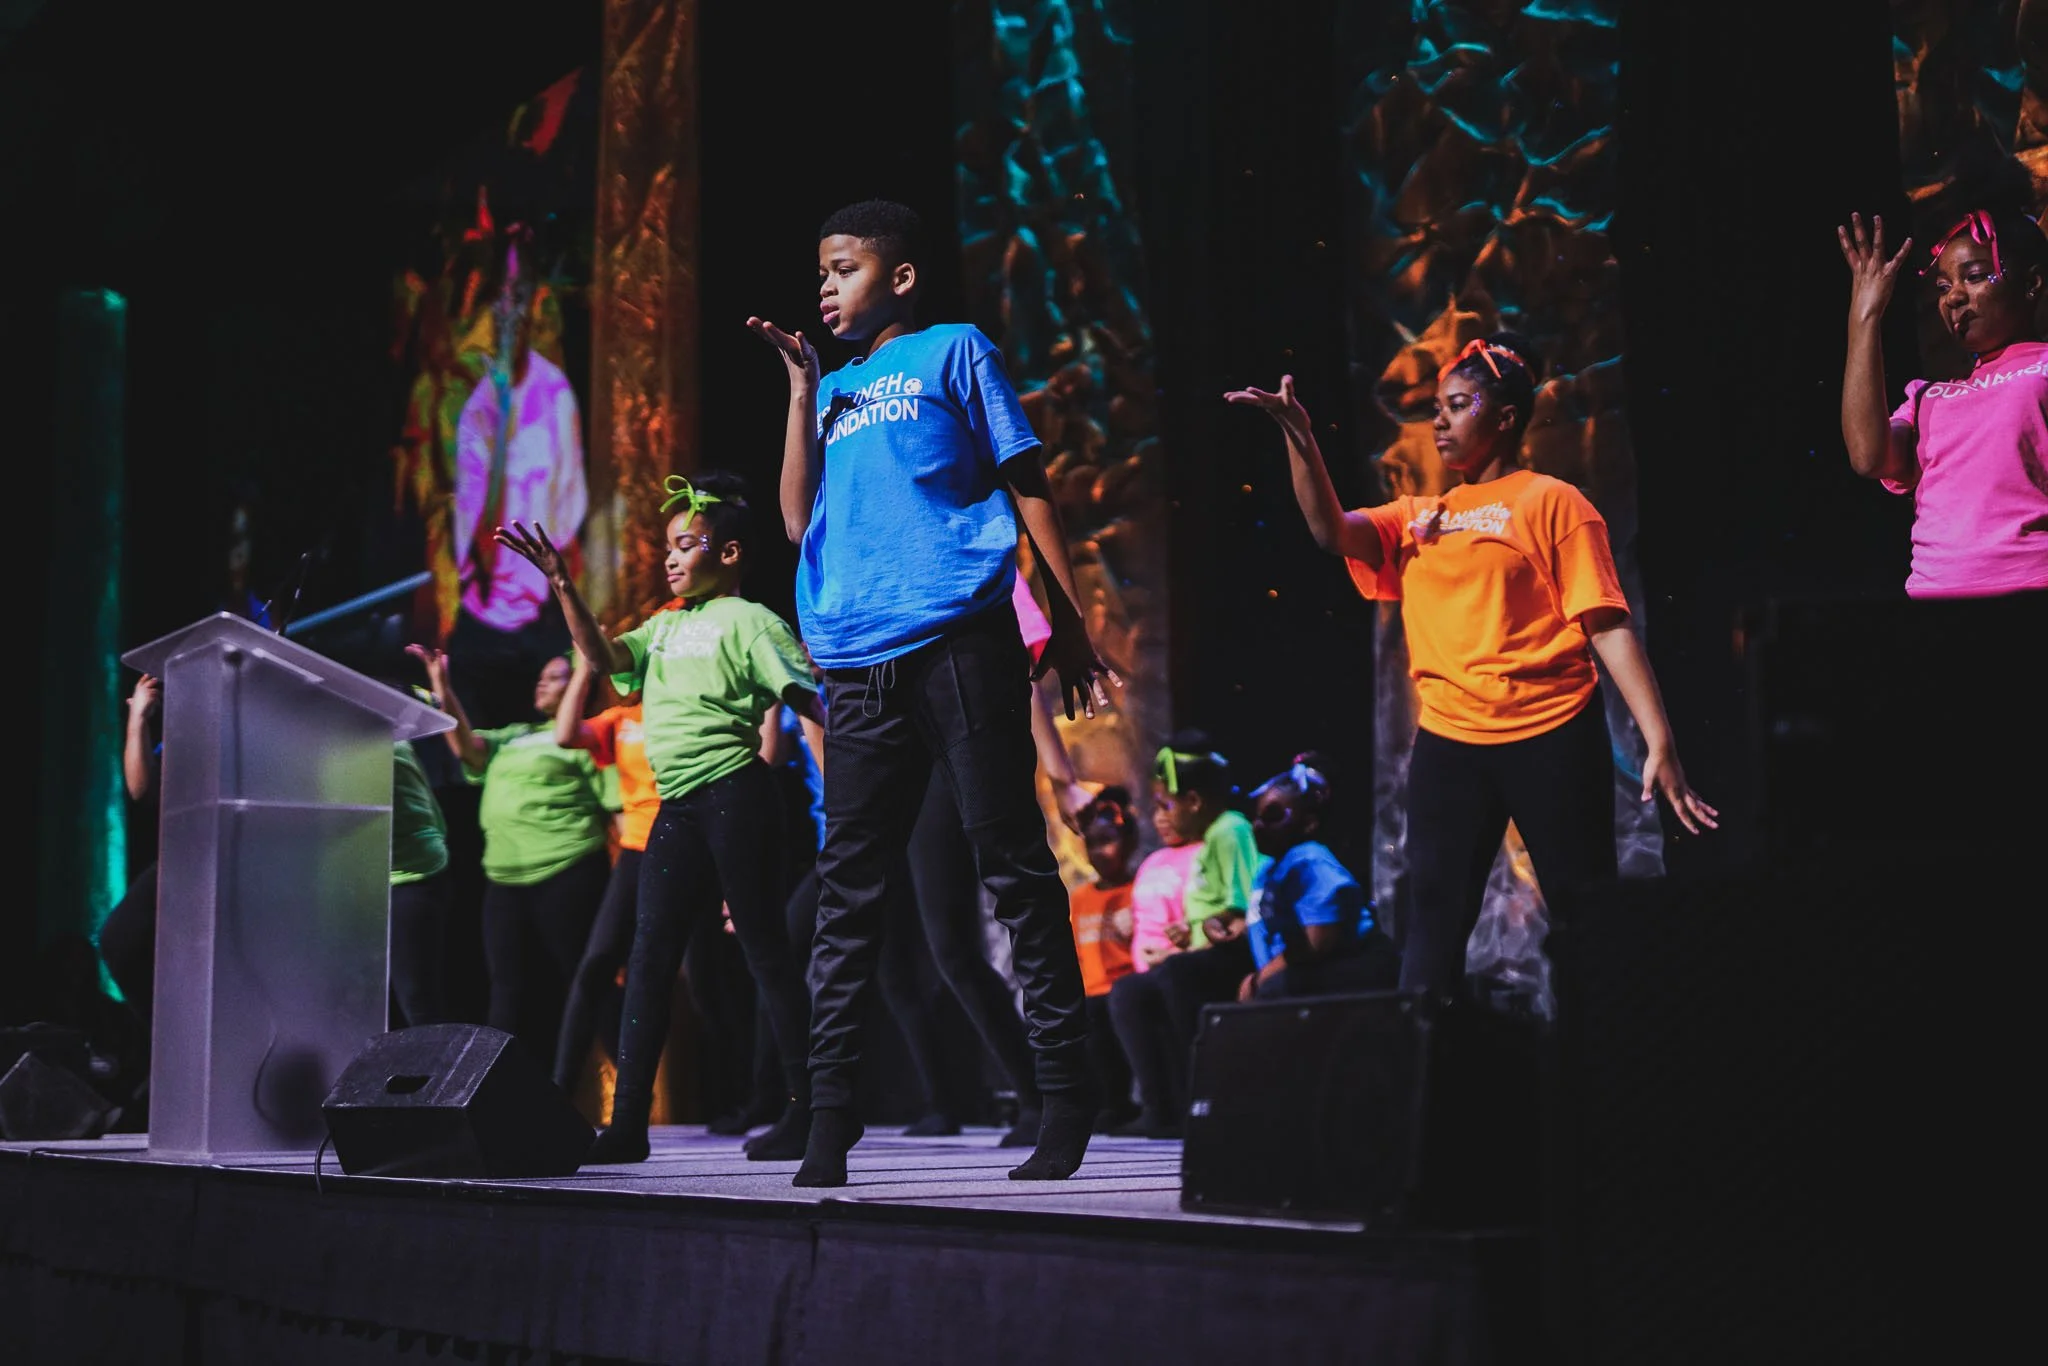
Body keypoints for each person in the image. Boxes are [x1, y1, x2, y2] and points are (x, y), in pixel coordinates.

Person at [747, 197, 1118, 1186]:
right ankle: (828, 1120)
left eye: (844, 268)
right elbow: (794, 522)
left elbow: (1027, 475)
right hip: (856, 659)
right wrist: (799, 394)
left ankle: (1064, 1095)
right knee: (849, 892)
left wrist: (1070, 617)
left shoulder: (955, 351)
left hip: (959, 639)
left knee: (1013, 868)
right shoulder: (839, 386)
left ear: (900, 276)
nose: (825, 286)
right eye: (820, 271)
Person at [1225, 337, 1717, 1002]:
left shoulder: (1554, 502)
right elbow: (1330, 532)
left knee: (1583, 919)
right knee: (1431, 930)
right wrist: (1299, 435)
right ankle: (1427, 1091)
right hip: (1451, 743)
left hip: (1551, 733)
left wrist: (1660, 740)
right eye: (1436, 407)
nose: (1441, 420)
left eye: (1458, 405)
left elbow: (1608, 623)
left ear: (1506, 417)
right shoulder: (1419, 517)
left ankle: (1601, 1076)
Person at [492, 470, 826, 1164]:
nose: (670, 558)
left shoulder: (754, 621)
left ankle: (809, 1111)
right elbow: (606, 657)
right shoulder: (664, 628)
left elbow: (810, 699)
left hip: (738, 795)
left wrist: (855, 782)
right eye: (667, 546)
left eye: (685, 544)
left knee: (764, 954)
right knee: (647, 962)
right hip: (678, 810)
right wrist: (562, 584)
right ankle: (627, 1126)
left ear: (729, 554)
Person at [408, 646, 612, 1058]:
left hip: (567, 869)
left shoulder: (587, 736)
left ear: (579, 684)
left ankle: (630, 1096)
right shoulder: (516, 734)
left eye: (554, 676)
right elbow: (468, 749)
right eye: (542, 674)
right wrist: (441, 686)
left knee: (588, 982)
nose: (541, 681)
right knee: (507, 988)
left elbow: (617, 812)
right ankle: (497, 1101)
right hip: (504, 878)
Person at [1836, 208, 2048, 598]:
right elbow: (1869, 457)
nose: (1953, 297)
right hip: (1936, 604)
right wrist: (1865, 316)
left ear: (2031, 283)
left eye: (1975, 276)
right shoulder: (1926, 396)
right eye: (1942, 285)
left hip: (2030, 594)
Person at [446, 226, 588, 728]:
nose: (511, 308)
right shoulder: (479, 410)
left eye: (520, 294)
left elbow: (569, 523)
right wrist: (504, 408)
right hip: (485, 625)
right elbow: (483, 544)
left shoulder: (556, 393)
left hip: (542, 619)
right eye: (501, 295)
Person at [548, 650, 665, 1092]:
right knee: (597, 964)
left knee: (710, 977)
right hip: (638, 847)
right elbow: (565, 735)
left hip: (692, 841)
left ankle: (754, 1096)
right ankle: (560, 1088)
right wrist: (583, 669)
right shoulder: (621, 718)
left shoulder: (684, 708)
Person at [1237, 755, 1396, 1002]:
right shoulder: (1268, 869)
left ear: (1309, 824)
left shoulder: (1310, 860)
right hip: (1305, 969)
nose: (1257, 826)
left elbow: (1319, 942)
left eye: (1273, 816)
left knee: (1277, 989)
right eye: (1256, 816)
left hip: (1354, 964)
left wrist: (1261, 979)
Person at [1105, 776, 1202, 1138]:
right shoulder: (1154, 861)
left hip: (1179, 962)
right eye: (1156, 809)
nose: (1160, 818)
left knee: (1147, 990)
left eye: (1168, 808)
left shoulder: (1202, 854)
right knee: (1117, 996)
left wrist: (1175, 950)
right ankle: (1154, 1107)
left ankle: (1188, 1106)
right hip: (1145, 968)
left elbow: (1202, 915)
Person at [1066, 787, 1140, 1131]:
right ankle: (1109, 1104)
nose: (1099, 852)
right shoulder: (1080, 898)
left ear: (1129, 840)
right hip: (1090, 992)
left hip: (1124, 988)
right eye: (1092, 843)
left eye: (1107, 840)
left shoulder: (1139, 889)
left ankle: (1132, 1103)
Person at [388, 734, 455, 1028]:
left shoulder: (383, 742)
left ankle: (436, 1073)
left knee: (417, 1001)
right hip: (368, 882)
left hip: (411, 876)